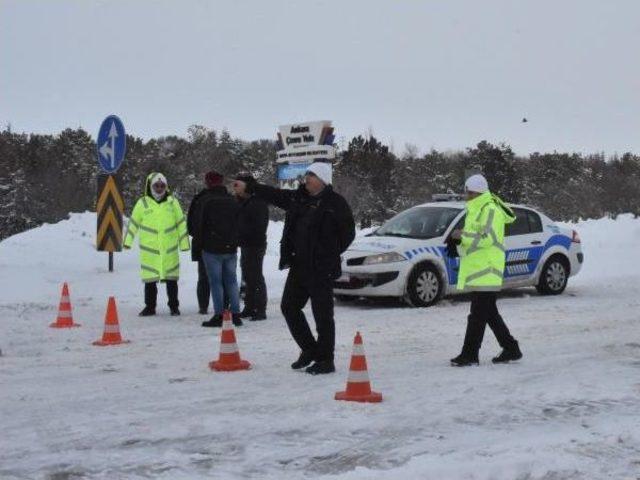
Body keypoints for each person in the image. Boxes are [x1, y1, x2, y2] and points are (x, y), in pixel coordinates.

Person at [234, 162, 355, 375]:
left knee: (323, 315)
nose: (307, 178)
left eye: (312, 175)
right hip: (299, 266)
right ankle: (309, 350)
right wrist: (251, 187)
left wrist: (328, 253)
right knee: (289, 307)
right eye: (307, 174)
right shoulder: (298, 198)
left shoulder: (336, 203)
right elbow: (273, 194)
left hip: (321, 268)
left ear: (323, 180)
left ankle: (326, 360)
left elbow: (348, 234)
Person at [449, 174, 523, 366]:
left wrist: (461, 236)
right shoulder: (476, 209)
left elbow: (486, 238)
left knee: (477, 316)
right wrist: (457, 244)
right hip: (480, 270)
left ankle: (470, 355)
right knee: (489, 314)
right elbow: (474, 240)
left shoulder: (490, 209)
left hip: (487, 270)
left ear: (476, 192)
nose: (465, 195)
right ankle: (511, 348)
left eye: (468, 192)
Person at [124, 172, 190, 316]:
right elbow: (133, 223)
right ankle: (150, 307)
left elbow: (181, 223)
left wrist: (184, 244)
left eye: (162, 185)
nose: (159, 188)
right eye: (156, 185)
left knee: (171, 280)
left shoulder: (172, 202)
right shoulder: (143, 203)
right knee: (150, 280)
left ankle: (174, 306)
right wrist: (127, 241)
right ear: (150, 186)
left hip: (169, 249)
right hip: (150, 250)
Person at [198, 171, 243, 328]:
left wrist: (201, 244)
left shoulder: (206, 201)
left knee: (216, 282)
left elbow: (199, 225)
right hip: (230, 248)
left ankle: (219, 314)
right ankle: (236, 314)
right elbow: (239, 223)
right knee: (231, 281)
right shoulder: (232, 201)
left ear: (208, 182)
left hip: (212, 249)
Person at [233, 172, 269, 321]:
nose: (235, 188)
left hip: (256, 244)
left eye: (238, 185)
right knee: (247, 276)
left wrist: (243, 233)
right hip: (246, 244)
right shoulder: (242, 201)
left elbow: (258, 225)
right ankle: (249, 307)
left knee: (256, 276)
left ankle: (260, 309)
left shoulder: (257, 202)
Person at [187, 171, 223, 314]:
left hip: (204, 244)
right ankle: (221, 306)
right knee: (222, 277)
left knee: (204, 277)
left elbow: (191, 225)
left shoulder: (199, 199)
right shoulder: (228, 198)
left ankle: (203, 306)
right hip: (224, 244)